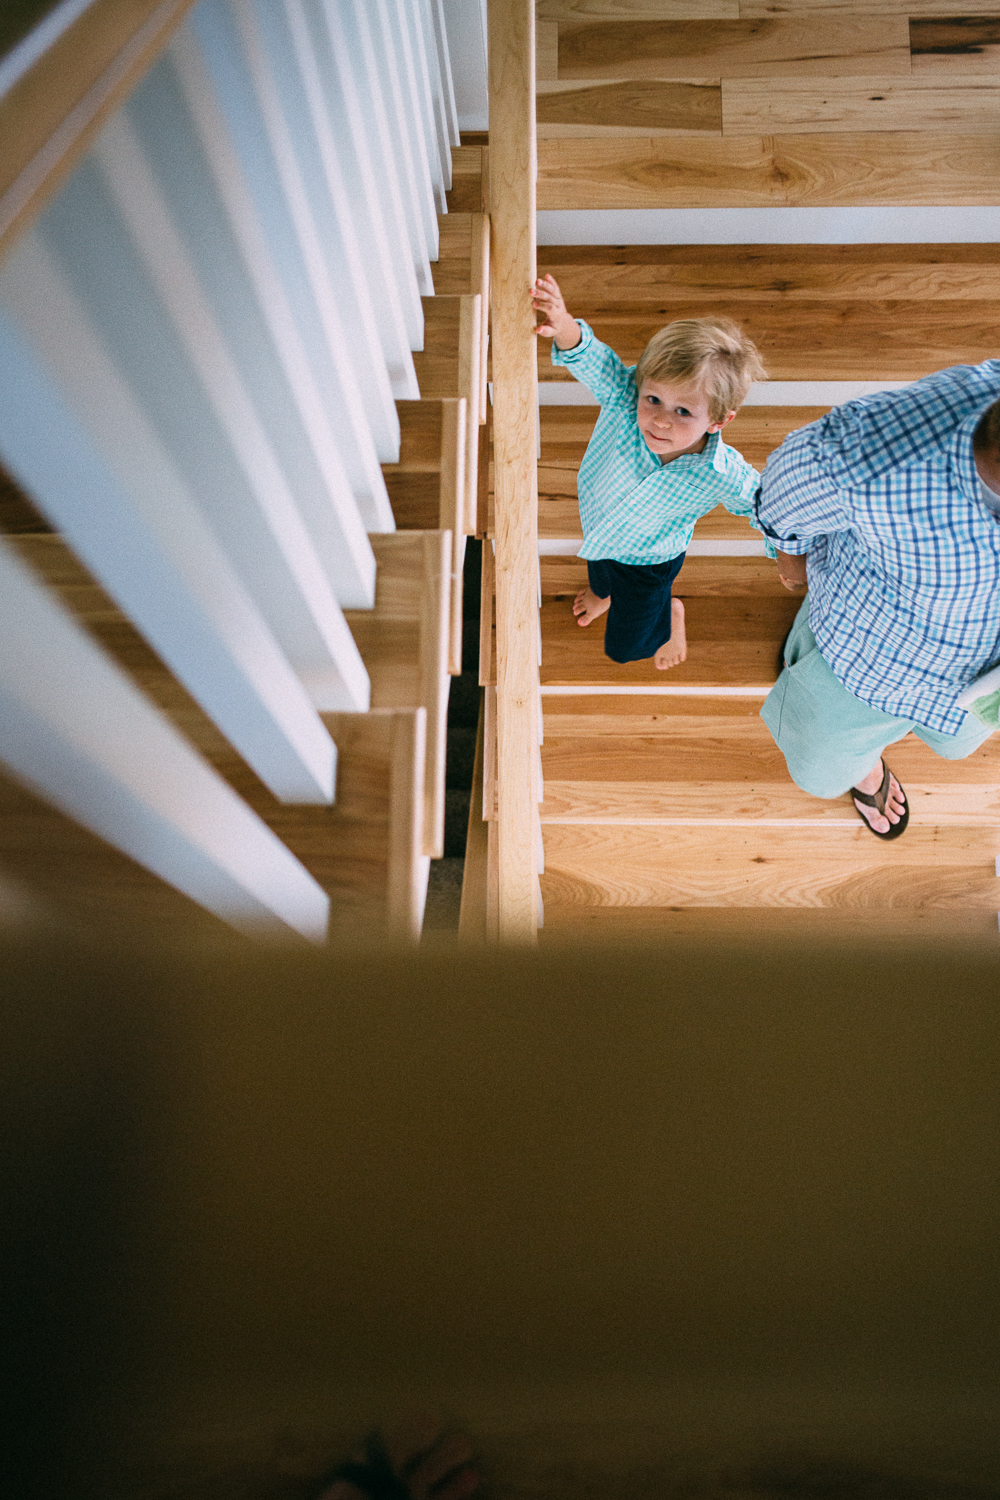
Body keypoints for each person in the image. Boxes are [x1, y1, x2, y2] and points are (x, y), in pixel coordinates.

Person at [756, 364, 1000, 838]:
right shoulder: (874, 454)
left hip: (982, 681)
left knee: (956, 743)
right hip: (864, 658)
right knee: (823, 770)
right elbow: (784, 490)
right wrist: (792, 565)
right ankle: (863, 769)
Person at [531, 273, 769, 670]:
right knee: (601, 576)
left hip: (650, 564)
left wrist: (792, 553)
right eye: (654, 399)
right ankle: (602, 594)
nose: (660, 420)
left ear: (718, 421)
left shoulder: (721, 472)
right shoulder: (625, 398)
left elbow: (765, 508)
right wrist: (564, 323)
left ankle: (670, 618)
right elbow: (595, 360)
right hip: (600, 530)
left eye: (683, 412)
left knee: (625, 647)